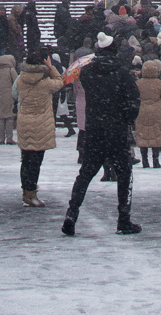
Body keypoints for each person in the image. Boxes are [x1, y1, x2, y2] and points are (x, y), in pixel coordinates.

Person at [62, 32, 141, 235]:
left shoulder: (87, 73)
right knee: (124, 174)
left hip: (95, 128)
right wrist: (126, 117)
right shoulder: (123, 73)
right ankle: (123, 218)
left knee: (86, 173)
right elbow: (133, 101)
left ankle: (72, 212)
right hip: (116, 128)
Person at [15, 49, 63, 207]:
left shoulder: (21, 80)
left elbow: (14, 94)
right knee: (36, 161)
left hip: (24, 121)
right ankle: (31, 193)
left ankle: (26, 192)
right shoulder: (46, 83)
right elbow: (60, 81)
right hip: (41, 124)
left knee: (26, 159)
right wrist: (51, 67)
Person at [135, 58, 161, 169]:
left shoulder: (138, 83)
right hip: (157, 110)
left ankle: (145, 160)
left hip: (142, 110)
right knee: (157, 135)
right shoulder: (160, 83)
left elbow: (134, 99)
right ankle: (156, 160)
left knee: (142, 135)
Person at [0, 54, 19, 144]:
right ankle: (9, 138)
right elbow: (17, 84)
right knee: (9, 117)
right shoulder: (11, 70)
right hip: (9, 96)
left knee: (1, 118)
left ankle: (1, 139)